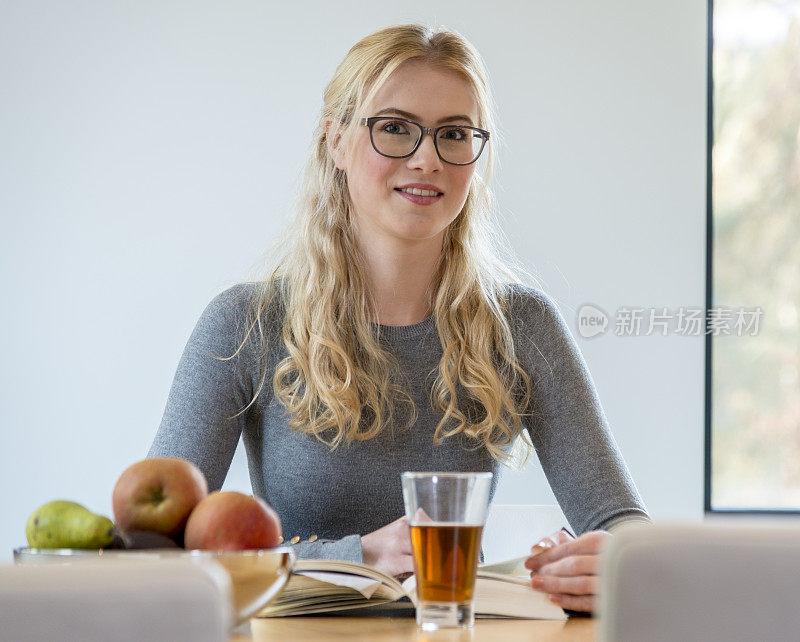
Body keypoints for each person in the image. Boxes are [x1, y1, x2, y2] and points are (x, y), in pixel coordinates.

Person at [148, 23, 650, 614]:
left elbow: (623, 525)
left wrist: (609, 563)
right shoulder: (244, 325)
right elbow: (160, 549)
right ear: (335, 140)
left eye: (454, 135)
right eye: (393, 128)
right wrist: (355, 558)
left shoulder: (521, 325)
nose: (426, 159)